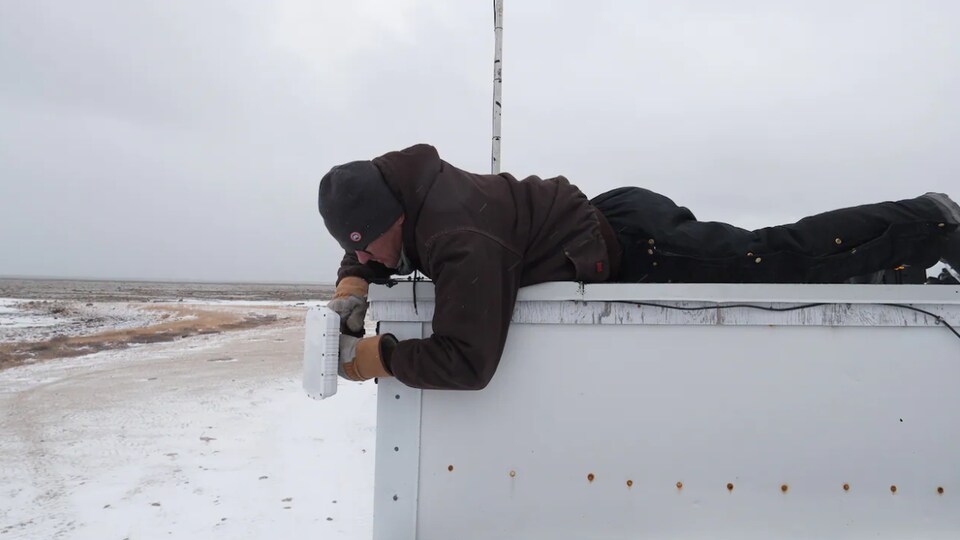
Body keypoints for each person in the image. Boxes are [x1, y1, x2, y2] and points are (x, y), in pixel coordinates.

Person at [318, 144, 960, 390]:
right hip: (608, 219)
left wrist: (375, 357)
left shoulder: (459, 235)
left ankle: (930, 223)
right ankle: (896, 274)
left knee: (778, 255)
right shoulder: (398, 188)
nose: (372, 258)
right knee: (785, 260)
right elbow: (368, 238)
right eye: (361, 249)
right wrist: (354, 283)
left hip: (642, 247)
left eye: (372, 246)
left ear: (396, 215)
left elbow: (468, 360)